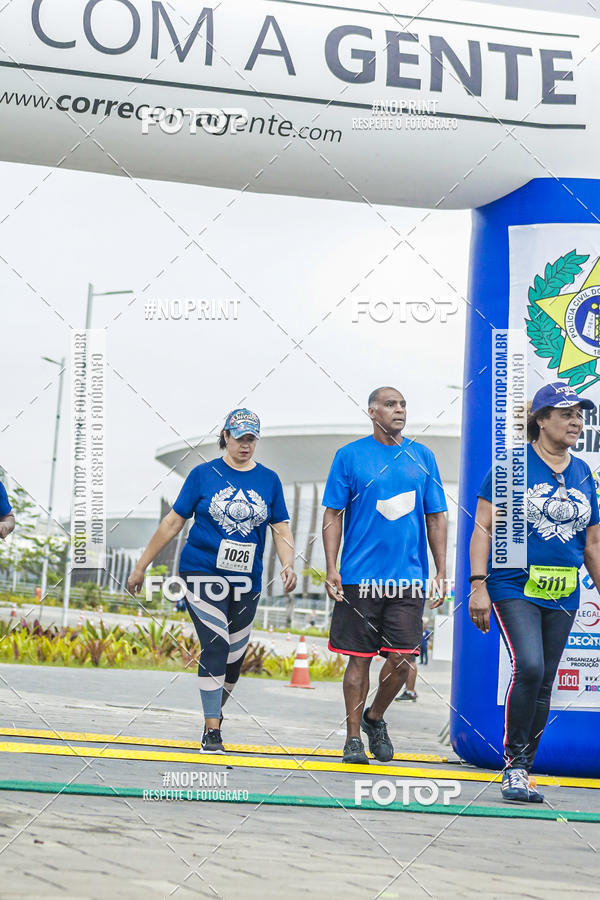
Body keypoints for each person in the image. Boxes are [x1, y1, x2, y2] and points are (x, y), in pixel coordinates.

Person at [128, 408, 297, 751]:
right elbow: (173, 523)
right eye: (239, 438)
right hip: (202, 571)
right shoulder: (203, 475)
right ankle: (212, 730)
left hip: (246, 579)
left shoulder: (269, 480)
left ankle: (213, 711)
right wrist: (141, 565)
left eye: (251, 439)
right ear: (226, 436)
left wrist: (288, 563)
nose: (245, 445)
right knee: (216, 644)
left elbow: (280, 528)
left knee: (234, 658)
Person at [469, 382, 600, 803]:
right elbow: (484, 528)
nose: (576, 421)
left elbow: (593, 544)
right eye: (566, 414)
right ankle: (514, 766)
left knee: (544, 679)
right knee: (528, 665)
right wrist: (477, 585)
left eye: (579, 414)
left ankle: (525, 766)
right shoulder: (511, 467)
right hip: (513, 585)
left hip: (563, 590)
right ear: (541, 420)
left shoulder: (583, 472)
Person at [322, 386, 447, 764]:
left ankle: (375, 716)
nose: (399, 410)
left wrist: (441, 571)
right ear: (373, 411)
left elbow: (436, 516)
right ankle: (353, 738)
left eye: (403, 404)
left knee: (405, 659)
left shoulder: (422, 457)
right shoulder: (350, 456)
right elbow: (332, 514)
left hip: (407, 578)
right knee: (357, 659)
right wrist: (331, 568)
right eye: (391, 404)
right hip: (359, 576)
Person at [396, 627, 431, 701]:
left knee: (410, 660)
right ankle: (409, 690)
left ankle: (410, 691)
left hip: (410, 629)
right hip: (410, 628)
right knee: (408, 660)